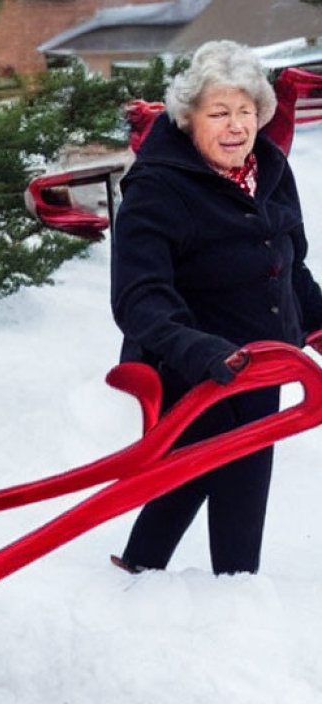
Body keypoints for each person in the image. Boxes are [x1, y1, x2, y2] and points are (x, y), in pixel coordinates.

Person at [110, 40, 322, 575]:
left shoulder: (268, 169)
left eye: (246, 112)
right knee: (211, 470)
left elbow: (289, 267)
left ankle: (141, 571)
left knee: (221, 474)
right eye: (220, 112)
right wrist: (201, 350)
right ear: (188, 119)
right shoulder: (158, 188)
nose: (236, 126)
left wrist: (315, 325)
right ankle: (227, 590)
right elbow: (139, 297)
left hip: (263, 359)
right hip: (191, 365)